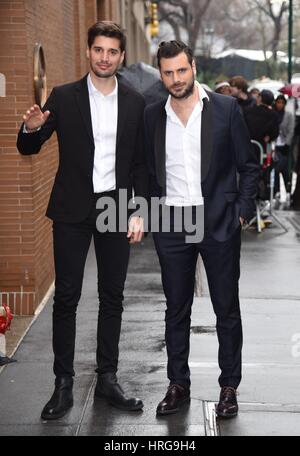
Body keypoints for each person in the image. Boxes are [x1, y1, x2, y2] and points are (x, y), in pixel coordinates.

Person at [17, 21, 148, 420]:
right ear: (88, 51)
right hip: (72, 209)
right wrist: (31, 128)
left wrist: (139, 209)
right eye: (98, 50)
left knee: (113, 297)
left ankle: (108, 377)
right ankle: (63, 384)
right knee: (67, 298)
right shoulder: (64, 96)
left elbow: (141, 162)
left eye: (112, 51)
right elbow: (29, 146)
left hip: (115, 207)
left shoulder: (135, 101)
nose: (104, 57)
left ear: (121, 57)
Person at [144, 40, 259, 418]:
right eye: (168, 73)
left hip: (218, 221)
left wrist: (242, 211)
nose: (176, 79)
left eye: (181, 70)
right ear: (160, 74)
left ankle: (229, 387)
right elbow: (146, 172)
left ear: (193, 67)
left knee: (226, 307)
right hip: (172, 222)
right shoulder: (152, 115)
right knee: (176, 309)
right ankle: (178, 384)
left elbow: (248, 164)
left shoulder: (225, 109)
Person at [273, 94, 295, 197]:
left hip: (284, 145)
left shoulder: (288, 115)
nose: (280, 105)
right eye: (278, 102)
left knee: (285, 169)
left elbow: (291, 130)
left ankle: (287, 190)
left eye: (282, 103)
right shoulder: (272, 114)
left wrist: (287, 143)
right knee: (276, 169)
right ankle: (276, 190)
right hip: (274, 145)